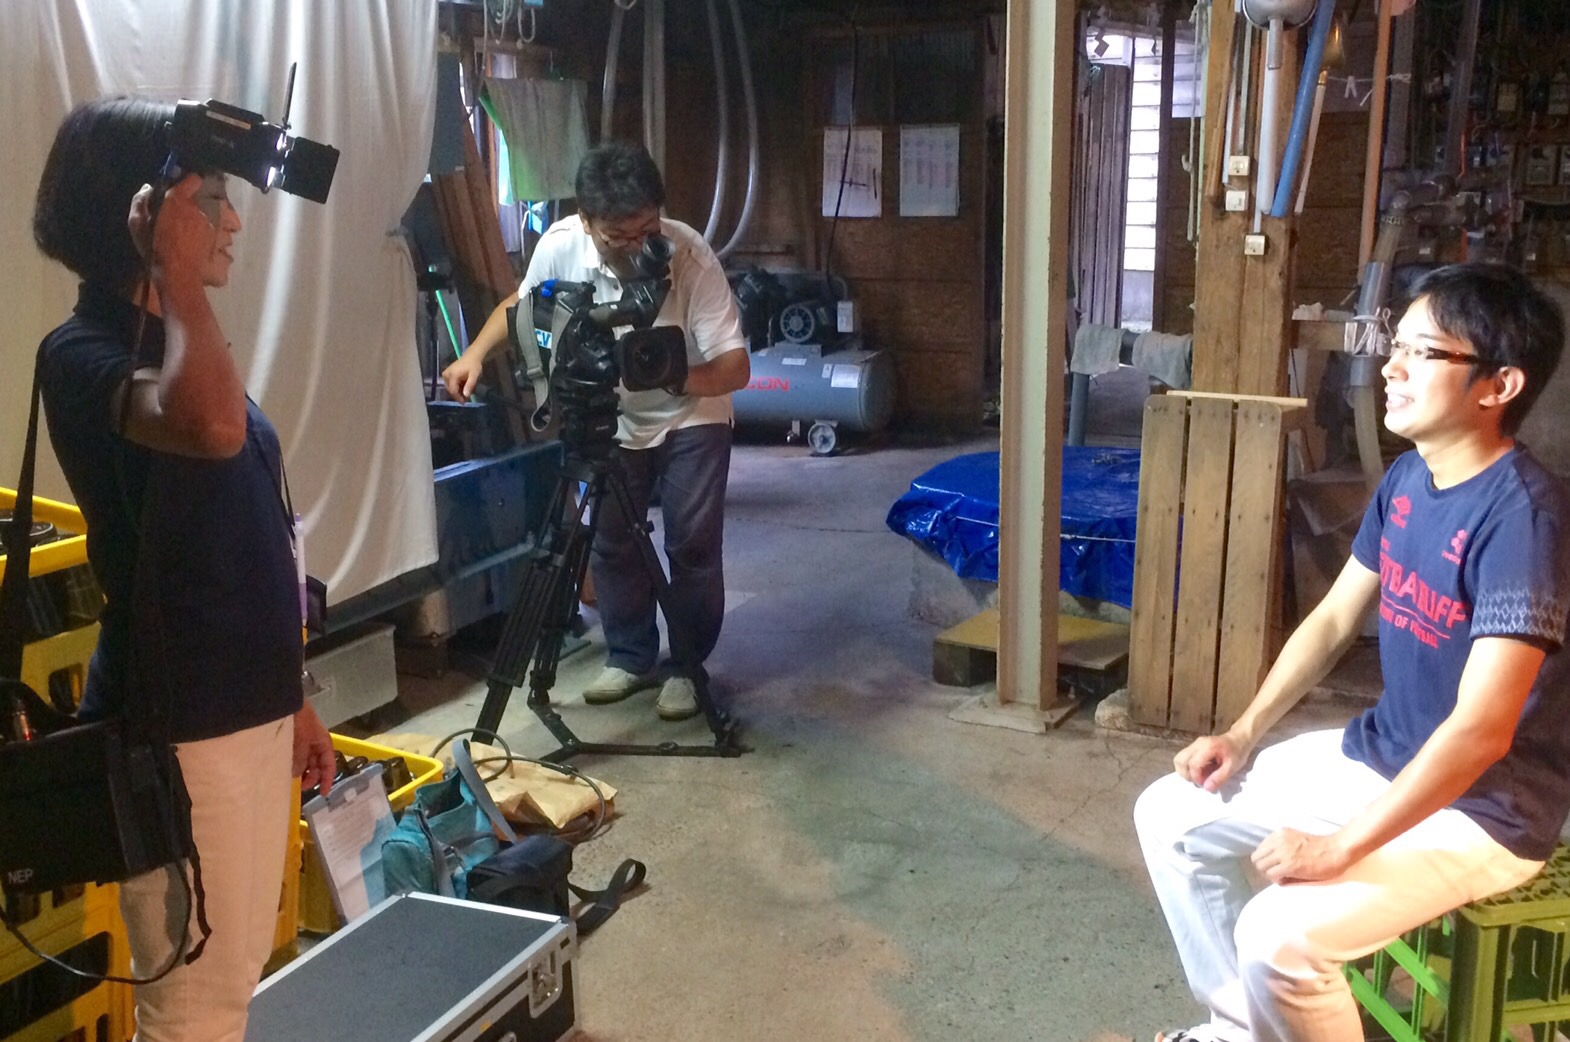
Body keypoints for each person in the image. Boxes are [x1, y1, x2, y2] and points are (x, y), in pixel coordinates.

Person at [1133, 263, 1570, 1042]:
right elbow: (1334, 619)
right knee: (1170, 815)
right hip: (1385, 756)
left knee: (1280, 937)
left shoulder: (1524, 521)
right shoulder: (1407, 479)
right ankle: (1239, 1030)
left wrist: (1339, 849)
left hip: (1485, 810)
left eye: (1422, 353)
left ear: (1499, 386)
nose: (1391, 368)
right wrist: (1243, 731)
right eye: (1394, 346)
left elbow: (1481, 731)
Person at [32, 97, 335, 1042]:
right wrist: (174, 278)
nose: (233, 222)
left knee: (231, 977)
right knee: (193, 1010)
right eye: (210, 200)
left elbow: (240, 540)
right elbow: (209, 429)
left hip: (243, 713)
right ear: (143, 214)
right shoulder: (80, 354)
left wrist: (293, 697)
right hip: (179, 730)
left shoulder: (174, 344)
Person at [443, 141, 749, 722]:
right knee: (610, 539)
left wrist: (673, 377)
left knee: (691, 544)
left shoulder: (688, 255)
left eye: (646, 231)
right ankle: (630, 656)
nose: (635, 245)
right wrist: (474, 354)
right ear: (586, 221)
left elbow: (736, 367)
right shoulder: (561, 246)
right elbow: (524, 307)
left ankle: (687, 666)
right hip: (607, 411)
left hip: (692, 412)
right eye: (618, 236)